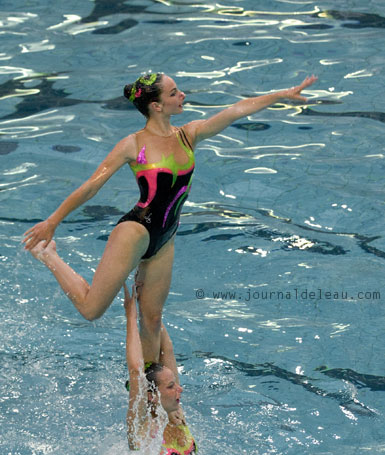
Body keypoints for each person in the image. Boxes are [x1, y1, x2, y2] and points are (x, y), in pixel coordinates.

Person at [23, 71, 317, 361]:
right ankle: (48, 255)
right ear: (157, 106)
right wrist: (52, 221)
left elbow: (234, 111)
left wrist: (281, 95)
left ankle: (150, 398)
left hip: (166, 237)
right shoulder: (133, 145)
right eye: (175, 92)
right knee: (92, 310)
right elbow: (91, 186)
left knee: (151, 321)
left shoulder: (189, 135)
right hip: (135, 230)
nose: (183, 95)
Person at [124, 283, 196, 455]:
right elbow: (135, 371)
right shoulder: (141, 427)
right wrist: (131, 316)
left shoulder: (175, 412)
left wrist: (151, 306)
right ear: (152, 395)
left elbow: (168, 349)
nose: (179, 389)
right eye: (172, 386)